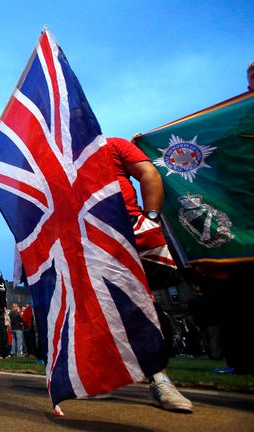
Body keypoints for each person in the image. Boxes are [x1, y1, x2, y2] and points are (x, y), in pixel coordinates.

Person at [107, 136, 193, 412]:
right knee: (104, 308)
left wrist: (151, 216)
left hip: (132, 230)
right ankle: (109, 376)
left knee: (143, 303)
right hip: (92, 236)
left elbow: (149, 173)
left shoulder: (114, 145)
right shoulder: (61, 161)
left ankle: (160, 377)